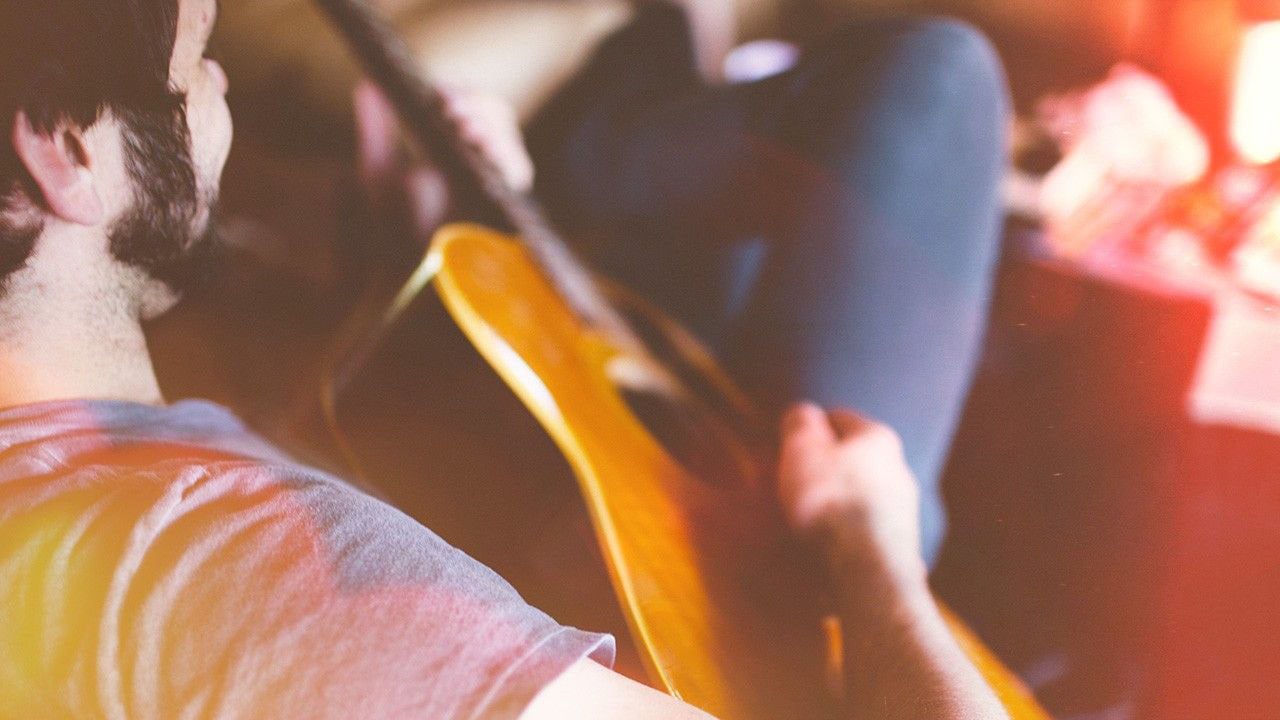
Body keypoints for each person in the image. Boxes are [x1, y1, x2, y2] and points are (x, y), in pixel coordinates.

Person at [0, 0, 1008, 718]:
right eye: (197, 60)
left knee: (908, 88)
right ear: (65, 150)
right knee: (931, 75)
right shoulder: (228, 568)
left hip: (563, 491)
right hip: (772, 600)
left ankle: (596, 146)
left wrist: (425, 269)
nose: (215, 86)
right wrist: (871, 555)